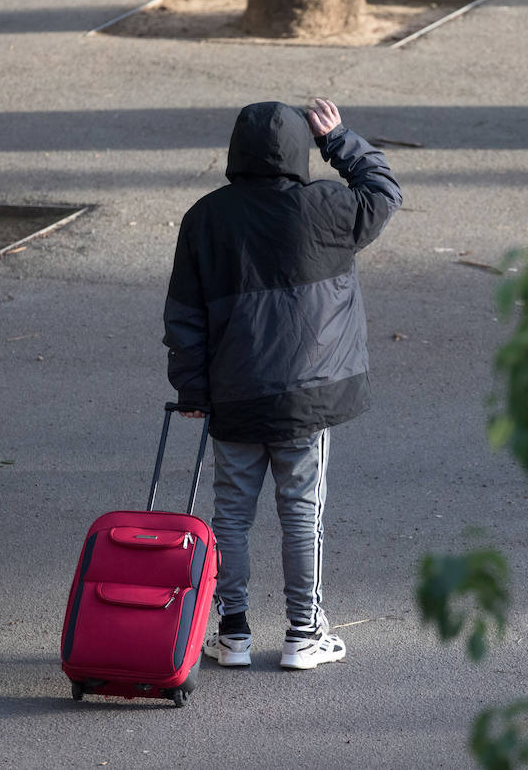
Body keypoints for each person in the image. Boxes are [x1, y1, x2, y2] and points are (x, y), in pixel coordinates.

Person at [163, 98, 402, 670]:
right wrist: (339, 138)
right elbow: (385, 192)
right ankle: (303, 633)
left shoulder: (206, 217)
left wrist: (193, 390)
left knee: (230, 518)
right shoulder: (327, 207)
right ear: (298, 149)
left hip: (234, 393)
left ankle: (233, 632)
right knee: (302, 514)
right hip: (307, 397)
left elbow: (185, 315)